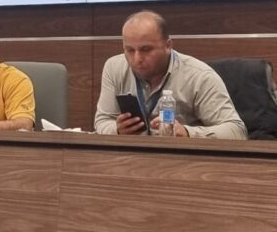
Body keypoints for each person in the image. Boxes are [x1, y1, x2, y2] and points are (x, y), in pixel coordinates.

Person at [94, 11, 246, 139]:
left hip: (182, 158)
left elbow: (237, 131)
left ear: (168, 46)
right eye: (130, 50)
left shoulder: (200, 76)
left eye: (146, 49)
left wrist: (187, 133)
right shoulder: (114, 67)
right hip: (130, 156)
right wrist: (117, 130)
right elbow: (102, 121)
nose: (137, 59)